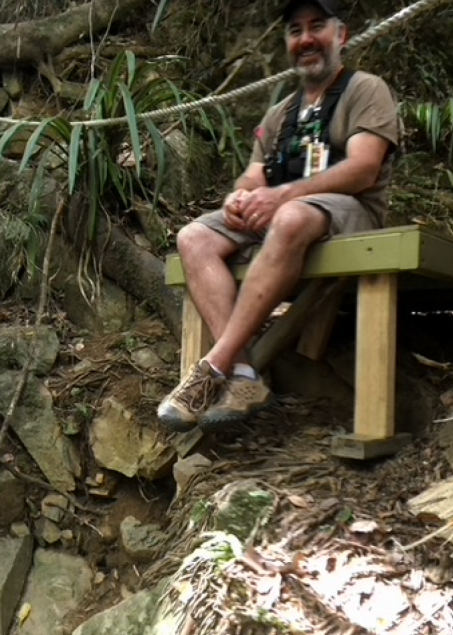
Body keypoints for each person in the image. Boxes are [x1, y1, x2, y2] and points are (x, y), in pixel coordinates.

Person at [159, 0, 398, 432]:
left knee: (289, 216)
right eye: (295, 30)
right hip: (287, 216)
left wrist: (282, 196)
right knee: (194, 237)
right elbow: (253, 176)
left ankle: (214, 366)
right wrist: (238, 199)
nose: (305, 39)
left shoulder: (366, 89)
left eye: (316, 26)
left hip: (353, 212)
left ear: (341, 35)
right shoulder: (280, 113)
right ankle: (245, 376)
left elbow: (364, 168)